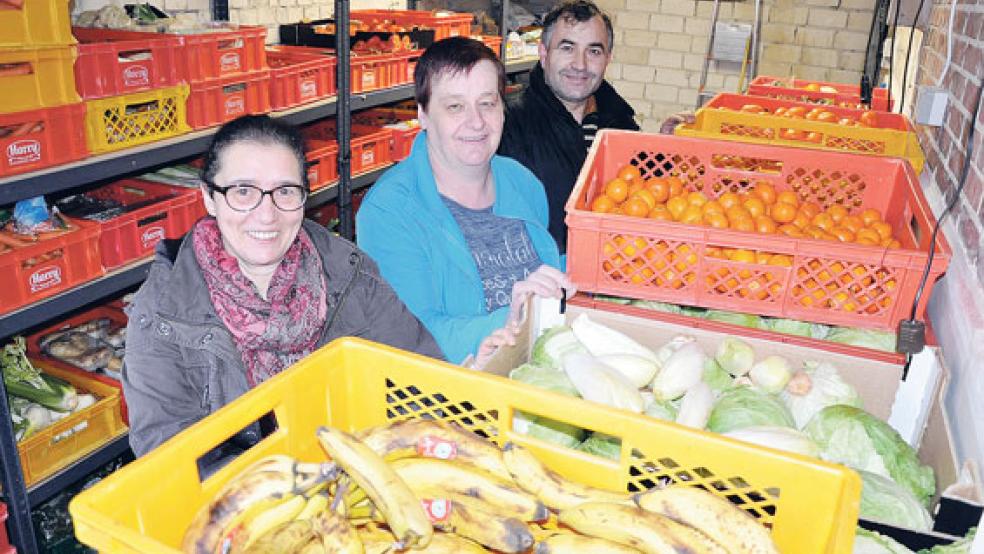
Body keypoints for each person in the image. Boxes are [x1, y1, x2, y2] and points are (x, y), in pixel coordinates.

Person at [123, 115, 442, 457]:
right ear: (209, 198)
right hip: (243, 499)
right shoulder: (163, 312)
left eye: (285, 191)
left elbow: (422, 383)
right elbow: (171, 458)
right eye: (243, 191)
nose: (266, 214)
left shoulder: (349, 274)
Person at [357, 37, 575, 365]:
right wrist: (512, 318)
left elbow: (542, 266)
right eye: (455, 106)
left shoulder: (521, 181)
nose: (476, 122)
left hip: (536, 370)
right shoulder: (389, 210)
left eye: (487, 103)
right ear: (424, 115)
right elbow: (410, 334)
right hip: (450, 399)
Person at [498, 0, 639, 255]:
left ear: (608, 58)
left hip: (606, 276)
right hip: (537, 284)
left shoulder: (620, 123)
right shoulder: (507, 123)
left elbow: (645, 197)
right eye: (567, 48)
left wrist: (665, 148)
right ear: (544, 54)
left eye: (594, 51)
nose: (580, 65)